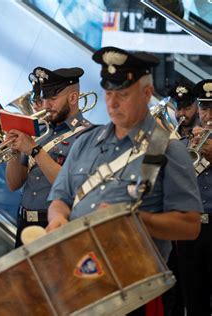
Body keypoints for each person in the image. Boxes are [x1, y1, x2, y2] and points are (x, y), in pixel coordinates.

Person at [46, 46, 202, 316]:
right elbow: (60, 198)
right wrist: (57, 217)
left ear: (146, 93)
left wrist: (136, 220)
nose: (112, 103)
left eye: (123, 94)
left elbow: (189, 226)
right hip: (75, 279)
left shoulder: (166, 149)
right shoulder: (85, 143)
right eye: (108, 93)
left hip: (132, 289)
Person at [5, 66, 94, 247]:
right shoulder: (40, 130)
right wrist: (13, 150)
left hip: (55, 224)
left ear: (73, 98)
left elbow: (72, 186)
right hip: (24, 222)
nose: (46, 105)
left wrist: (35, 150)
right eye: (44, 98)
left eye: (53, 98)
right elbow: (13, 184)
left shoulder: (87, 134)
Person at [176, 79, 212, 316]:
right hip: (191, 228)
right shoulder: (184, 143)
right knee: (192, 299)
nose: (208, 115)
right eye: (204, 108)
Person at [162, 82, 197, 316]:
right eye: (178, 108)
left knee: (196, 293)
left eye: (186, 107)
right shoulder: (170, 138)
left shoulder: (204, 137)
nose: (181, 113)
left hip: (198, 223)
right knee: (172, 290)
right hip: (171, 221)